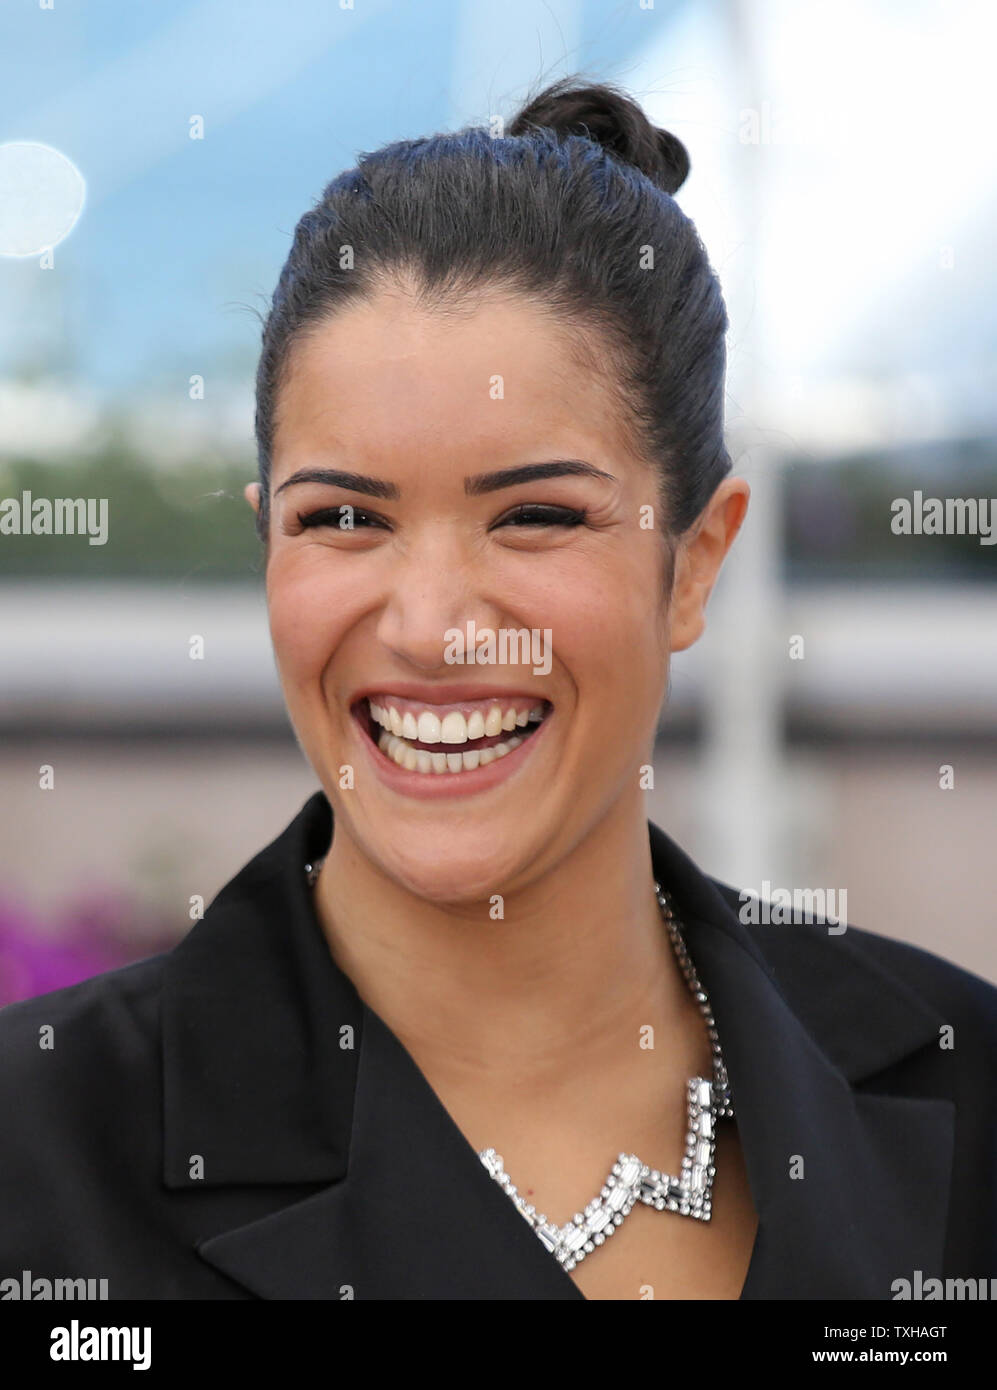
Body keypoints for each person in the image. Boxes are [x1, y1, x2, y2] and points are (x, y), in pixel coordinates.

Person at [1, 77, 995, 1303]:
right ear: (270, 546)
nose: (430, 628)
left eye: (533, 517)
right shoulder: (37, 1158)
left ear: (694, 563)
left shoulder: (961, 1084)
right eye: (344, 518)